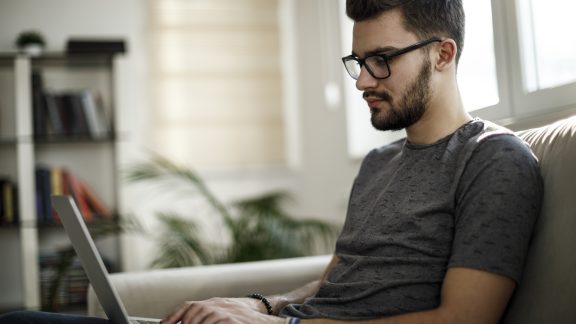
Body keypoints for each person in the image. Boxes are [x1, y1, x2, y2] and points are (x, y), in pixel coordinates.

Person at [0, 0, 542, 323]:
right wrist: (261, 304)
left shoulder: (492, 159)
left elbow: (465, 319)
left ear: (443, 55)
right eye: (359, 61)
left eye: (383, 61)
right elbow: (335, 283)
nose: (365, 82)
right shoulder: (379, 163)